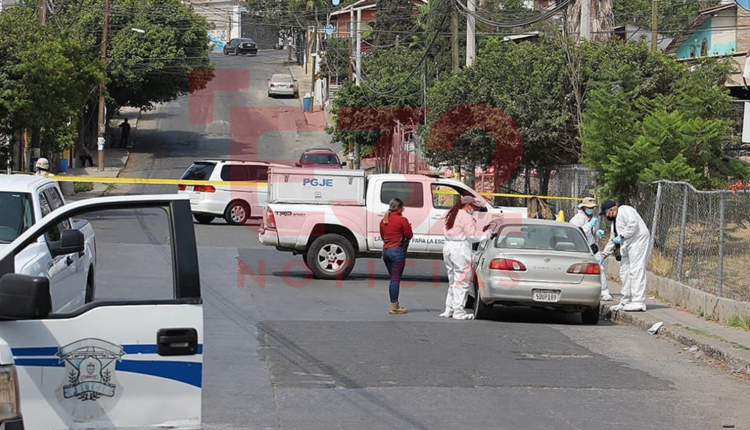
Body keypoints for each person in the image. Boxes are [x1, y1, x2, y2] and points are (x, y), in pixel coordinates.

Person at [440, 195, 499, 320]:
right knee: (462, 281)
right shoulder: (466, 217)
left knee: (452, 280)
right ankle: (458, 311)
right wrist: (487, 235)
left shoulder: (450, 215)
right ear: (468, 205)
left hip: (448, 247)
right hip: (460, 248)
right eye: (474, 206)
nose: (475, 210)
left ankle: (448, 309)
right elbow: (471, 236)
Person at [600, 200, 651, 312]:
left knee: (636, 270)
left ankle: (638, 302)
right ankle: (625, 300)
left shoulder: (625, 210)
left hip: (638, 241)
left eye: (605, 213)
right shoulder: (614, 222)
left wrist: (622, 236)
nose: (605, 216)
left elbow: (633, 224)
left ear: (611, 210)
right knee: (625, 272)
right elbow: (613, 239)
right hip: (628, 245)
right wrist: (604, 254)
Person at [569, 197, 612, 301]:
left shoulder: (593, 218)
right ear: (583, 207)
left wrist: (598, 233)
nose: (591, 209)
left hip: (592, 246)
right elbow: (579, 233)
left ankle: (604, 291)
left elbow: (592, 234)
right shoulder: (577, 219)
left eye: (593, 207)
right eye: (590, 207)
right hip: (581, 248)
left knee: (600, 268)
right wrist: (589, 225)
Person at [379, 198, 413, 314]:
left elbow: (383, 236)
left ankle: (395, 304)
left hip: (386, 251)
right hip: (397, 251)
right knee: (395, 279)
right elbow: (409, 235)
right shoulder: (402, 220)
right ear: (399, 208)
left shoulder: (384, 220)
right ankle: (394, 306)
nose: (403, 210)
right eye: (402, 208)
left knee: (393, 278)